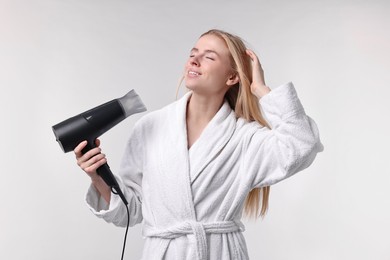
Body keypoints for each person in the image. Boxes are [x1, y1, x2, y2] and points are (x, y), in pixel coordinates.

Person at [74, 29, 323, 260]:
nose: (194, 60)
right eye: (193, 54)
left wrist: (261, 90)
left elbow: (303, 145)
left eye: (209, 57)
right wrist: (97, 177)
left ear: (232, 76)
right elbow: (130, 212)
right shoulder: (150, 127)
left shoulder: (245, 138)